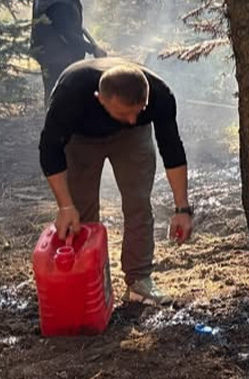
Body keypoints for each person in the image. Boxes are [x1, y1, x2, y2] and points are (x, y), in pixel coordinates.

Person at [39, 58, 193, 306]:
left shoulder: (159, 95)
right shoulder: (71, 94)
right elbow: (49, 150)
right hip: (82, 138)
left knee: (138, 203)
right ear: (100, 98)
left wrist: (182, 208)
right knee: (81, 213)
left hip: (133, 141)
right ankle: (90, 282)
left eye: (139, 110)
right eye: (124, 113)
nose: (132, 118)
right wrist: (65, 206)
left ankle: (139, 281)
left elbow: (172, 149)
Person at [31, 0, 106, 102]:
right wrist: (93, 49)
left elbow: (68, 27)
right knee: (60, 95)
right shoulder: (57, 2)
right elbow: (67, 34)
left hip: (50, 50)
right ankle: (55, 122)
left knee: (56, 93)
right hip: (56, 55)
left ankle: (56, 120)